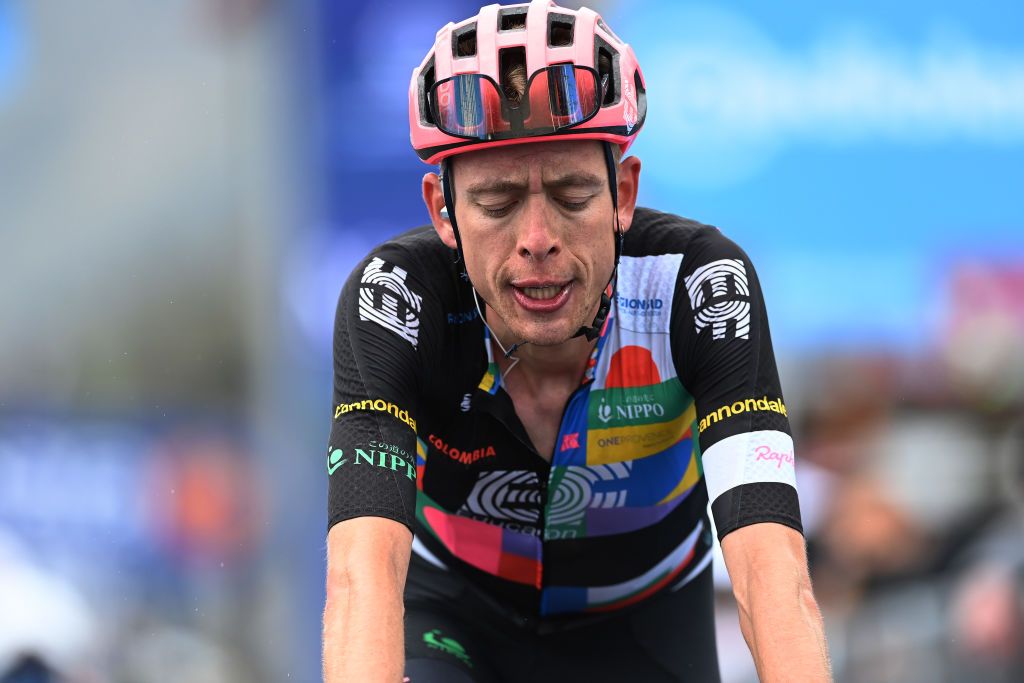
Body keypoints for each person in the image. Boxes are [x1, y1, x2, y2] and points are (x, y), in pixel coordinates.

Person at [323, 1, 831, 680]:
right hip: (455, 612)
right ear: (441, 210)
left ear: (623, 194)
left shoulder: (699, 285)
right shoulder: (397, 300)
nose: (538, 239)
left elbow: (772, 572)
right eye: (498, 202)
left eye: (571, 194)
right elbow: (363, 575)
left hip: (643, 618)